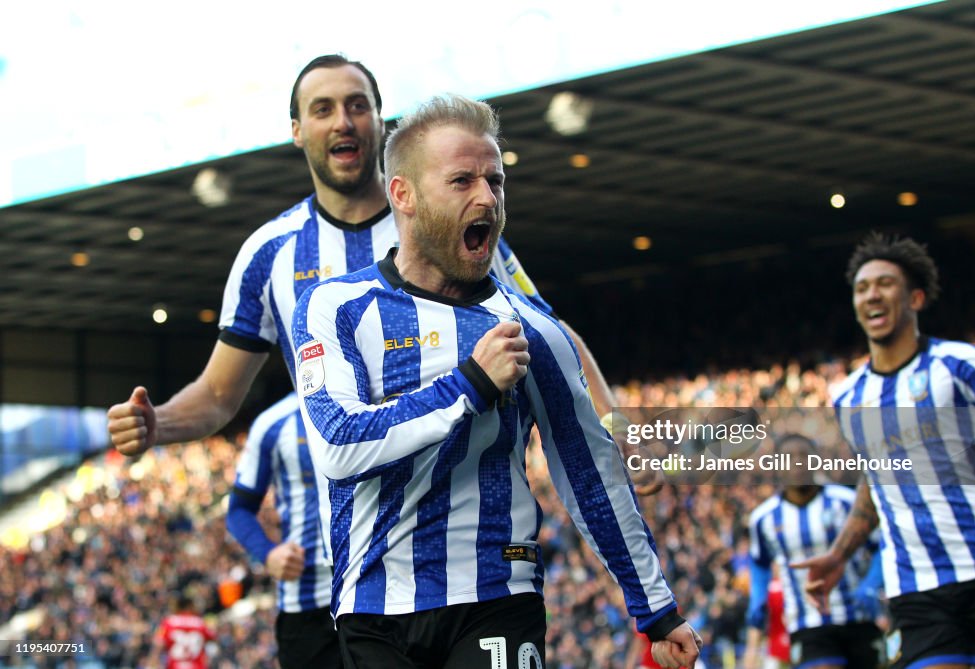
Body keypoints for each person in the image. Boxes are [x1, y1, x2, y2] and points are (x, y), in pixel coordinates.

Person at [105, 53, 658, 495]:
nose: (343, 121)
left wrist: (619, 431)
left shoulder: (448, 221)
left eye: (357, 105)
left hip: (470, 530)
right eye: (322, 110)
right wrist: (159, 425)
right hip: (345, 555)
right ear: (297, 131)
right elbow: (220, 394)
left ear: (380, 120)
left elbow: (550, 337)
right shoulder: (268, 254)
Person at [290, 93, 701, 669]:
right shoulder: (334, 308)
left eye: (496, 181)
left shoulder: (534, 331)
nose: (487, 197)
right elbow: (338, 444)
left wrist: (656, 609)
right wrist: (471, 385)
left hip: (497, 594)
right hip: (374, 603)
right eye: (462, 181)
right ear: (402, 195)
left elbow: (589, 471)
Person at [793, 233, 975, 669]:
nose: (871, 295)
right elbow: (875, 480)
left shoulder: (958, 364)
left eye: (884, 283)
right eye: (862, 288)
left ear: (915, 297)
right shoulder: (848, 397)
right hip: (918, 589)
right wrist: (840, 554)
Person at [744, 434, 883, 669]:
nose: (798, 463)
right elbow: (759, 564)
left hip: (858, 617)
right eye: (789, 458)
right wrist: (757, 601)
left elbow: (880, 547)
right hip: (806, 622)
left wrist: (871, 584)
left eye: (804, 456)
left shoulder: (847, 502)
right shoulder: (763, 518)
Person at [225, 392, 337, 668]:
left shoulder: (381, 397)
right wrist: (268, 553)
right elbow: (238, 510)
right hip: (308, 602)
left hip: (380, 592)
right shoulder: (274, 422)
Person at [155, 593, 216, 669]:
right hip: (196, 666)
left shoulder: (168, 622)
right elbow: (212, 638)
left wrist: (153, 662)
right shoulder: (200, 622)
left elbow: (159, 644)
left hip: (175, 665)